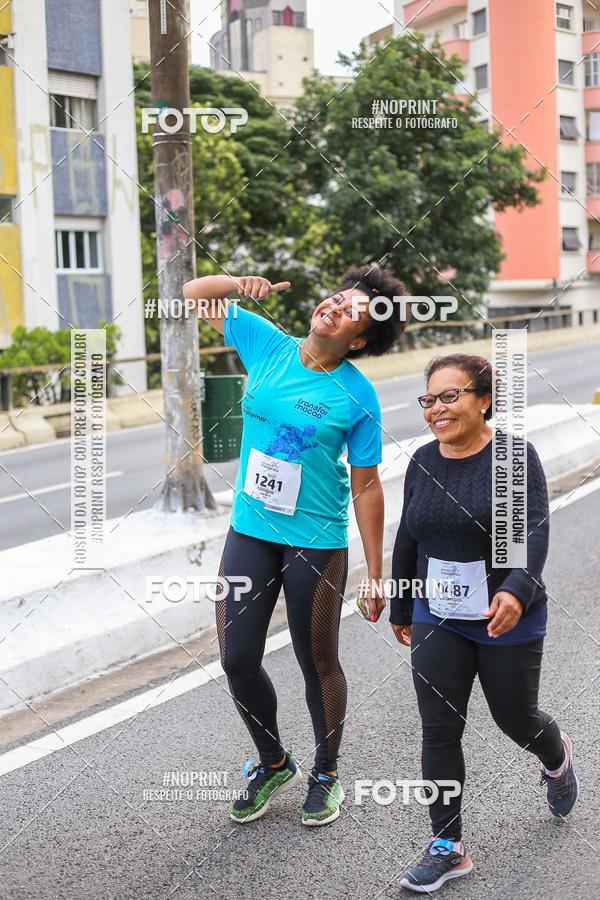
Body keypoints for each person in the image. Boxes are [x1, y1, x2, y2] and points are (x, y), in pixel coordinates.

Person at [183, 265, 406, 825]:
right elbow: (190, 294)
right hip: (250, 531)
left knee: (318, 661)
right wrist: (237, 283)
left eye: (351, 309)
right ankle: (273, 761)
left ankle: (326, 772)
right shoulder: (266, 342)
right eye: (336, 296)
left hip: (316, 541)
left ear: (359, 339)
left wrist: (376, 572)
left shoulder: (357, 395)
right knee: (237, 660)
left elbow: (368, 485)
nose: (334, 305)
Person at [390, 353, 579, 893]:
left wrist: (517, 590)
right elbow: (410, 535)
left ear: (484, 399)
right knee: (439, 728)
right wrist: (403, 604)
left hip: (504, 614)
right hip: (438, 612)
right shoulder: (423, 461)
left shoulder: (515, 456)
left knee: (514, 718)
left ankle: (555, 755)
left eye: (450, 397)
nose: (437, 409)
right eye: (429, 399)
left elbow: (533, 529)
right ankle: (447, 845)